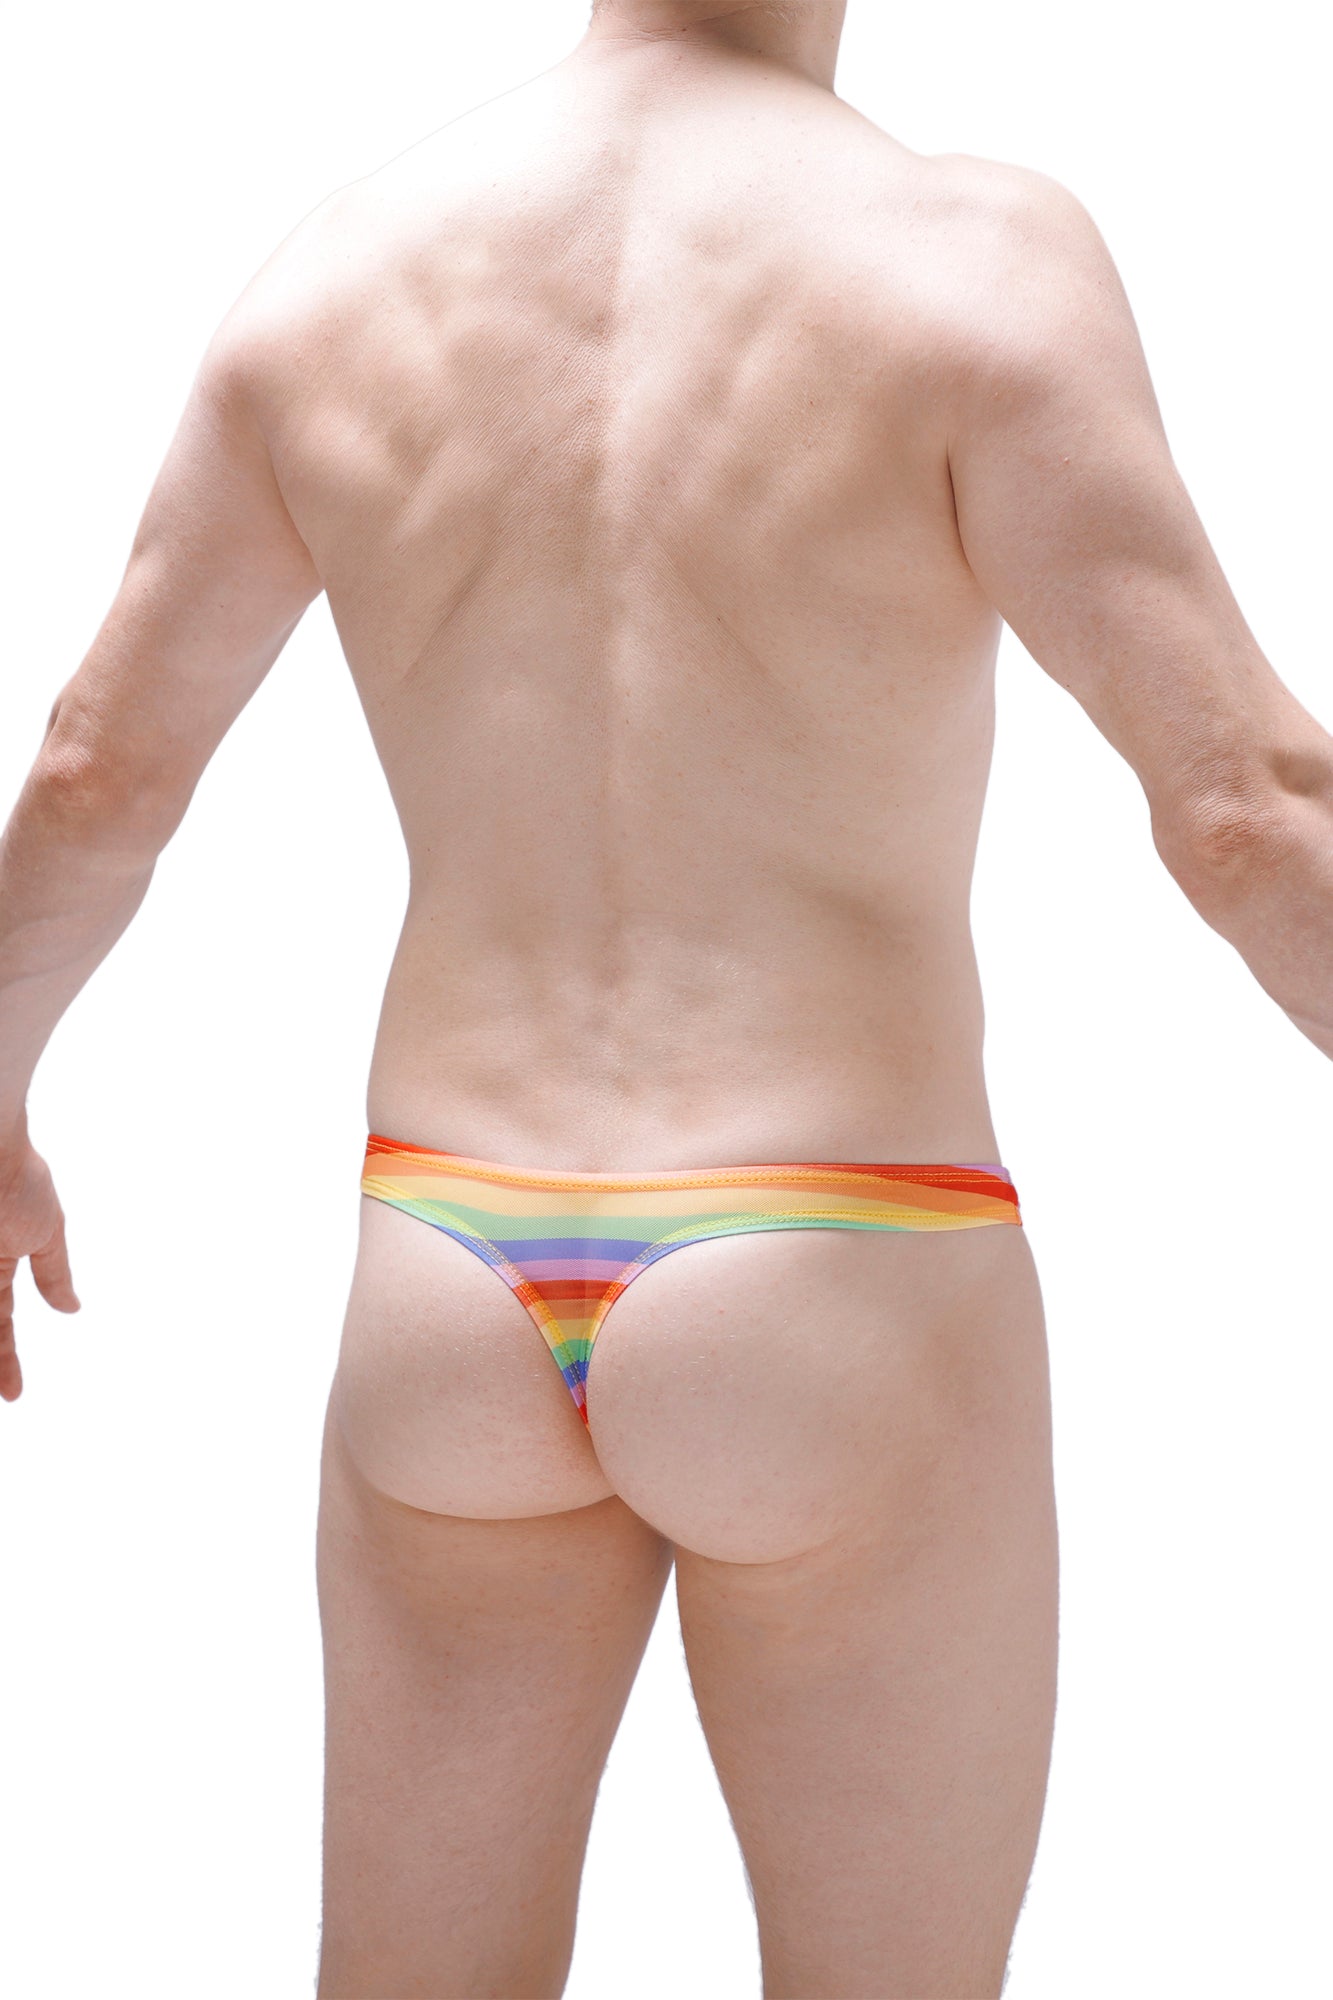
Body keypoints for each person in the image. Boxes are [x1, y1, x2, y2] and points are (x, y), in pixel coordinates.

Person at [1, 1, 1329, 1993]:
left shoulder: (342, 268)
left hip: (447, 1259)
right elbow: (1247, 816)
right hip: (841, 1252)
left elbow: (98, 770)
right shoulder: (962, 260)